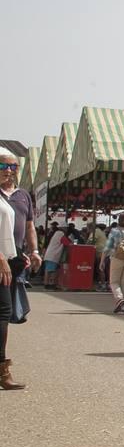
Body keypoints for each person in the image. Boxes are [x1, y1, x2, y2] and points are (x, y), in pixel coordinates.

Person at [0, 147, 37, 390]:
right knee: (3, 312)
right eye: (4, 166)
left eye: (14, 167)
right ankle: (2, 370)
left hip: (14, 260)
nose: (10, 171)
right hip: (1, 261)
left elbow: (30, 226)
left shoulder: (23, 195)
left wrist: (33, 251)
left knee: (7, 312)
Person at [41, 222, 68, 287]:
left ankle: (46, 283)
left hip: (49, 255)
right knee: (51, 271)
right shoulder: (61, 234)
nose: (67, 230)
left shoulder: (56, 233)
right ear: (64, 228)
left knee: (48, 270)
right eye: (66, 228)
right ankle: (50, 284)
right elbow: (67, 243)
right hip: (53, 256)